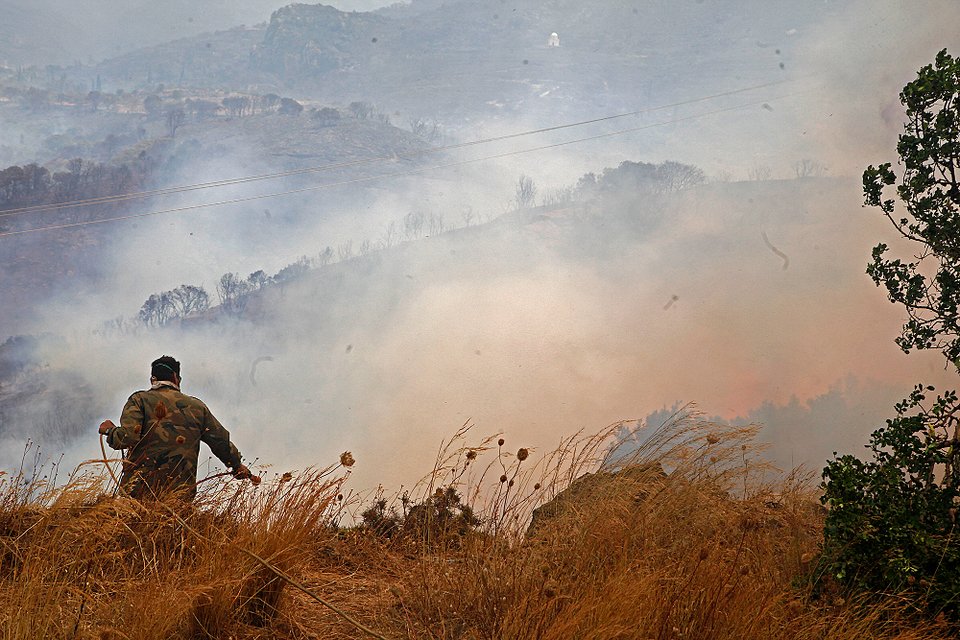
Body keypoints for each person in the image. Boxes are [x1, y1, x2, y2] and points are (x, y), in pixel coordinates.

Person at [98, 355, 259, 499]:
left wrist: (110, 430)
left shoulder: (139, 400)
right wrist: (236, 465)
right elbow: (220, 441)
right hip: (180, 494)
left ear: (152, 379)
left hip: (138, 491)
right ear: (176, 378)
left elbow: (128, 438)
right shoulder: (197, 407)